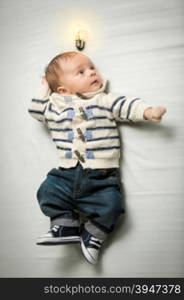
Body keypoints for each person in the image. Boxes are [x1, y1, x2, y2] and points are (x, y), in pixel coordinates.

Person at [28, 51, 166, 264]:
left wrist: (148, 111)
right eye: (81, 72)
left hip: (102, 175)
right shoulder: (54, 107)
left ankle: (93, 234)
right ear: (63, 89)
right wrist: (45, 86)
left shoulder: (103, 100)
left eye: (92, 68)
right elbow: (35, 110)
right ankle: (65, 225)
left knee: (111, 204)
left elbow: (127, 105)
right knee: (47, 191)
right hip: (65, 173)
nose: (92, 73)